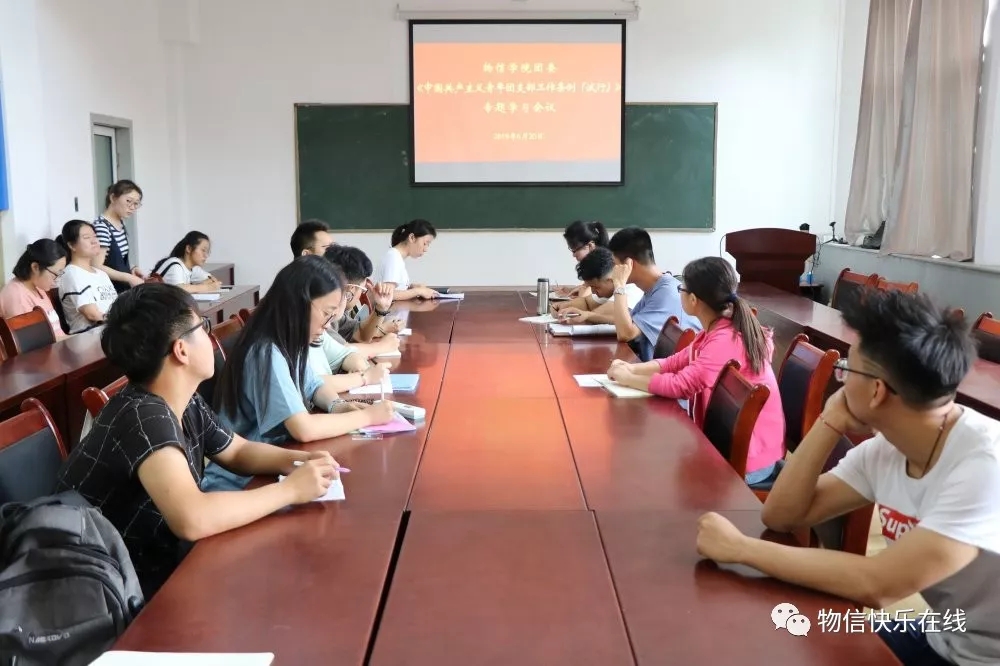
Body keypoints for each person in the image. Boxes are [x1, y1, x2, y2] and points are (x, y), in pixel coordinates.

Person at [695, 290, 1000, 666]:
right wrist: (830, 419)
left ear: (876, 391)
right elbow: (782, 515)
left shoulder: (985, 465)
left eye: (846, 369)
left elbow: (880, 585)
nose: (839, 380)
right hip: (945, 635)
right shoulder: (887, 449)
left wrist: (740, 549)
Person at [56, 283, 341, 598]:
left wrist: (299, 461)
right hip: (113, 593)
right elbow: (193, 518)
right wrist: (290, 490)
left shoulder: (182, 400)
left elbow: (237, 451)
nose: (210, 336)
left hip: (152, 569)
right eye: (203, 327)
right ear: (181, 350)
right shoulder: (144, 416)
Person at [207, 255, 394, 491]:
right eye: (327, 313)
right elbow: (303, 428)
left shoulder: (290, 340)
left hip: (275, 465)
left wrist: (338, 405)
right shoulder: (266, 351)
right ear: (299, 305)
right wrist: (368, 417)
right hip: (242, 484)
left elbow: (314, 385)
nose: (328, 325)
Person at [606, 256, 784, 485]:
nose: (679, 293)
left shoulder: (726, 339)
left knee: (649, 471)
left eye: (681, 288)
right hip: (728, 445)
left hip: (749, 461)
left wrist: (628, 378)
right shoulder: (715, 330)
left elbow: (682, 385)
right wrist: (631, 368)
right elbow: (674, 362)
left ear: (693, 299)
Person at [559, 227, 698, 361]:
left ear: (629, 264)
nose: (613, 271)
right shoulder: (653, 288)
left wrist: (619, 286)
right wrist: (589, 316)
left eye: (615, 264)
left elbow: (626, 334)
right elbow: (628, 323)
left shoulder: (667, 293)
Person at [323, 244, 402, 352]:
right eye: (362, 289)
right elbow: (338, 352)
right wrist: (381, 347)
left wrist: (381, 308)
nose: (361, 294)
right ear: (351, 289)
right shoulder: (324, 312)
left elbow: (360, 335)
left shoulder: (337, 311)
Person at [554, 247, 659, 320]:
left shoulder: (631, 288)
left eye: (595, 287)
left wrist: (584, 315)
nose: (593, 292)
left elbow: (606, 315)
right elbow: (586, 303)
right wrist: (561, 306)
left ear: (610, 279)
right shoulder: (608, 288)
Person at [57, 220, 118, 334]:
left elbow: (117, 306)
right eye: (87, 237)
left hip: (110, 330)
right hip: (90, 335)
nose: (94, 241)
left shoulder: (101, 274)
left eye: (95, 236)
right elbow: (92, 315)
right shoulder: (72, 273)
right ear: (71, 245)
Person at [0, 239, 68, 339]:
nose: (57, 279)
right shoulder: (17, 295)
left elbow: (57, 333)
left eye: (61, 273)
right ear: (35, 267)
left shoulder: (39, 287)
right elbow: (32, 341)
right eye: (56, 274)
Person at [93, 180, 145, 293]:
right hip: (109, 290)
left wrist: (132, 268)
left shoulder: (120, 223)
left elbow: (117, 259)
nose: (132, 207)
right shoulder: (102, 227)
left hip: (121, 288)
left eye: (136, 203)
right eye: (128, 201)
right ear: (113, 198)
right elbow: (97, 265)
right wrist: (128, 277)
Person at [374, 219, 438, 301]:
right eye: (425, 243)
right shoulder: (393, 257)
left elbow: (395, 289)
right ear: (412, 238)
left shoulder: (396, 256)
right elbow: (388, 295)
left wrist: (410, 287)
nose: (425, 249)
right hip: (389, 309)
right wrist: (418, 291)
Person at [150, 231, 222, 293]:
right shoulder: (175, 265)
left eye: (207, 252)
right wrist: (206, 287)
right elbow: (179, 290)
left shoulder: (193, 268)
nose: (206, 255)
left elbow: (212, 279)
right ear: (189, 249)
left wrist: (204, 284)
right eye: (203, 250)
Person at [556, 220, 610, 299]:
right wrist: (571, 290)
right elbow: (587, 288)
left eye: (575, 250)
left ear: (590, 245)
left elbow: (586, 296)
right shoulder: (593, 264)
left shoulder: (605, 266)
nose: (573, 255)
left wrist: (581, 296)